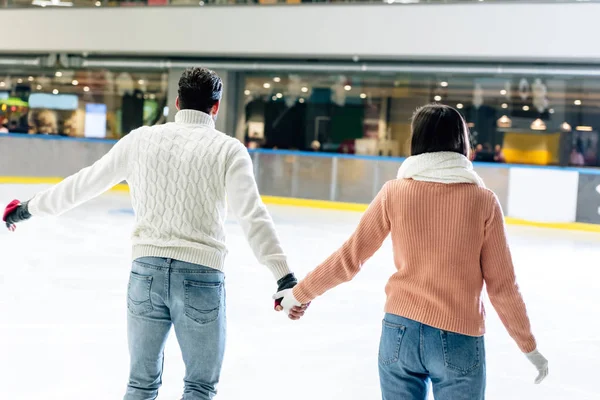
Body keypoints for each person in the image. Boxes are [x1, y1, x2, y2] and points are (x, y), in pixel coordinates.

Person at [3, 67, 298, 400]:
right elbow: (252, 215)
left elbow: (84, 184)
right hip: (201, 278)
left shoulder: (140, 140)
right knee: (199, 388)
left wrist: (28, 207)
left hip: (145, 275)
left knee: (140, 385)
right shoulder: (228, 150)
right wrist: (283, 276)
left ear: (177, 102)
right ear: (215, 107)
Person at [274, 104, 548, 399]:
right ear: (461, 142)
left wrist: (298, 294)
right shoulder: (483, 201)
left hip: (399, 333)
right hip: (458, 338)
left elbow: (349, 258)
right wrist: (529, 347)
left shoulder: (394, 192)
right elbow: (503, 286)